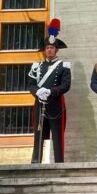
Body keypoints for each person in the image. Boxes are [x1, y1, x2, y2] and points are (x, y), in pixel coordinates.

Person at [27, 20, 71, 164]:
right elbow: (31, 85)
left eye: (52, 47)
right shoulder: (36, 66)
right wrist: (38, 92)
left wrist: (50, 91)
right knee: (38, 135)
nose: (49, 50)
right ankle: (35, 162)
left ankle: (58, 163)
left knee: (57, 137)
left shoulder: (64, 65)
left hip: (55, 105)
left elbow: (66, 85)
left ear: (56, 50)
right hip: (40, 104)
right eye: (47, 48)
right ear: (44, 50)